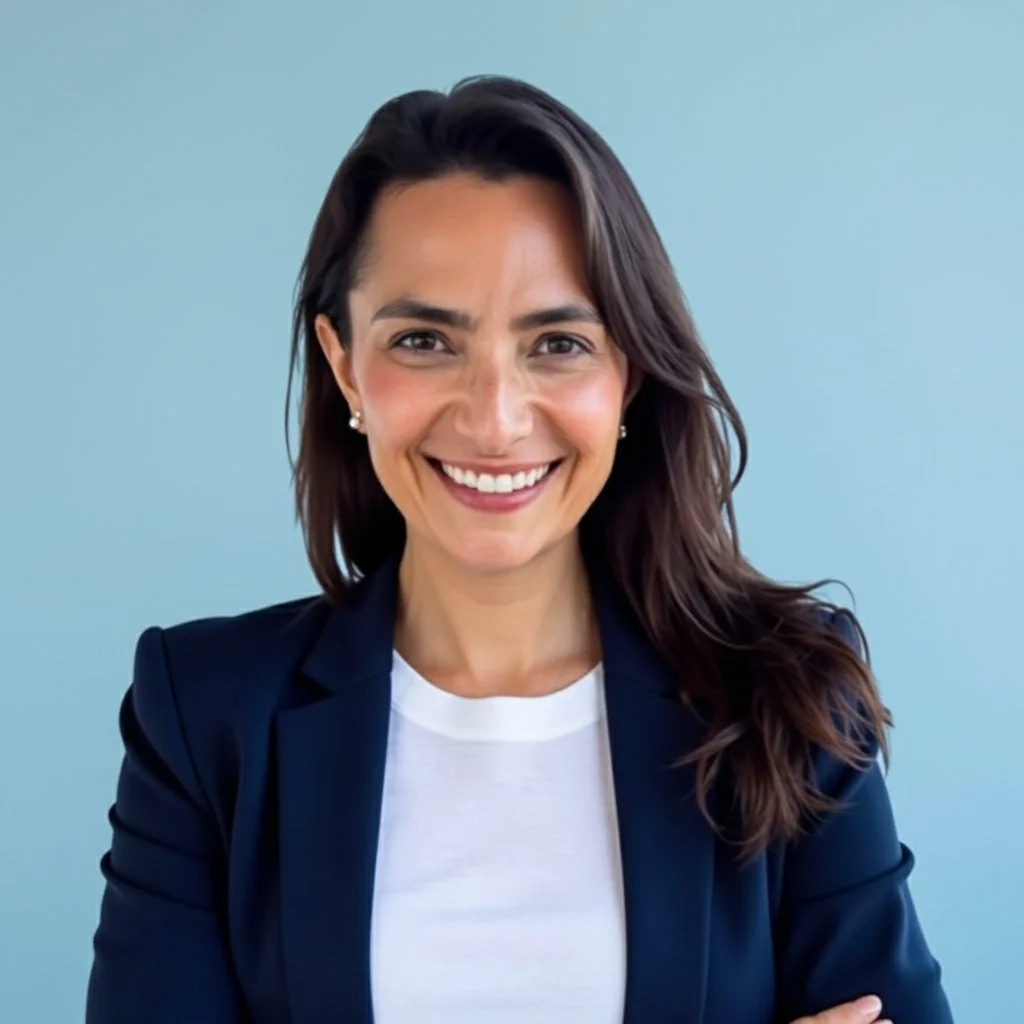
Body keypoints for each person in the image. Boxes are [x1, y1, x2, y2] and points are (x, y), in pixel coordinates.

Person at [85, 77, 953, 1023]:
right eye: (423, 340)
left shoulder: (786, 695)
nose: (494, 420)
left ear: (628, 372)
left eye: (558, 344)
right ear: (345, 366)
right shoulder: (206, 714)